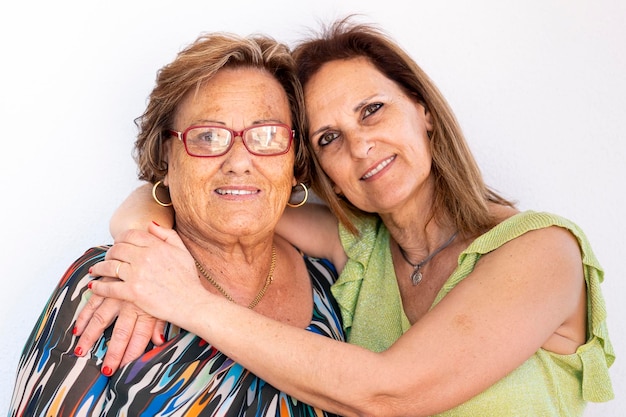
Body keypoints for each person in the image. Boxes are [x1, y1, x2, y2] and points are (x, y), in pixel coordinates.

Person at [78, 17, 614, 416]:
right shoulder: (357, 246)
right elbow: (204, 199)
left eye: (372, 110)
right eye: (329, 138)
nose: (360, 147)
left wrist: (184, 299)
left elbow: (388, 392)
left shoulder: (542, 251)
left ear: (422, 109)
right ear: (315, 170)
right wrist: (137, 251)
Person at [8, 31, 346, 417]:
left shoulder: (333, 285)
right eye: (207, 136)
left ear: (294, 157)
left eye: (267, 134)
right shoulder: (114, 278)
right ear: (166, 157)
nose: (239, 161)